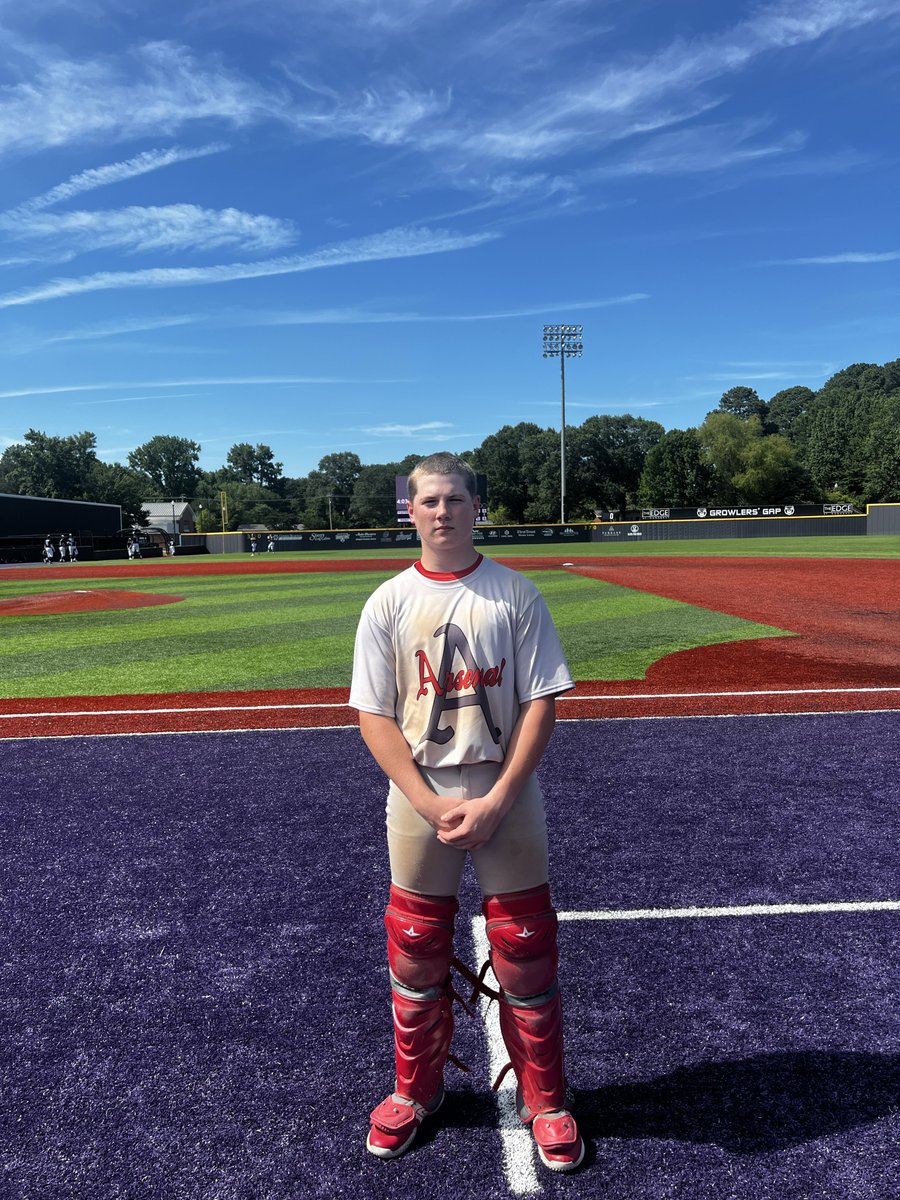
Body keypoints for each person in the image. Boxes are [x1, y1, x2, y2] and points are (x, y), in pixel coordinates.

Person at [349, 451, 584, 1172]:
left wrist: (500, 796)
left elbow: (541, 703)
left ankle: (546, 1099)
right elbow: (373, 715)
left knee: (525, 945)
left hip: (503, 785)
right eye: (429, 500)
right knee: (415, 942)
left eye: (455, 499)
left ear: (476, 507)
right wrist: (426, 802)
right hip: (420, 790)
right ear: (410, 511)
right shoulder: (388, 601)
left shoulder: (515, 593)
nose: (443, 511)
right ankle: (415, 1091)